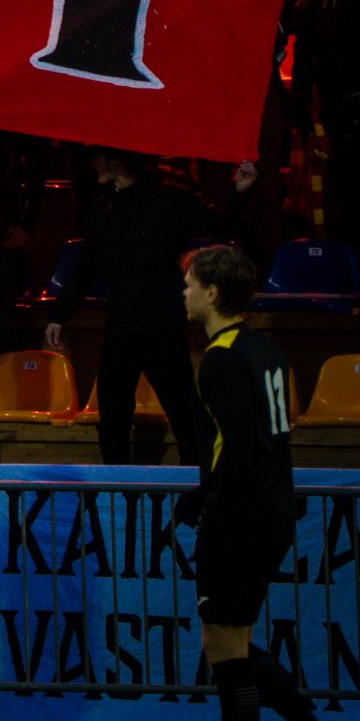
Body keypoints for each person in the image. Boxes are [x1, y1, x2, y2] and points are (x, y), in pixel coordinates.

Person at [45, 150, 252, 466]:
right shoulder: (103, 208)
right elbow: (86, 267)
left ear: (117, 160)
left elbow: (219, 227)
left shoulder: (170, 200)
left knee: (186, 417)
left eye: (99, 156)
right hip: (121, 330)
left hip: (162, 328)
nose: (93, 163)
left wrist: (240, 191)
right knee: (112, 420)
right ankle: (117, 489)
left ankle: (198, 485)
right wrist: (59, 315)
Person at [178, 245, 310, 721]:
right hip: (269, 511)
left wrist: (207, 504)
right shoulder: (266, 349)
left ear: (212, 293)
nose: (184, 293)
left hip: (240, 517)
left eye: (190, 285)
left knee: (224, 644)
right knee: (228, 641)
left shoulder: (221, 358)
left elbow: (238, 449)